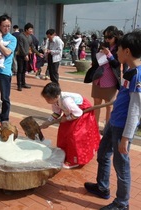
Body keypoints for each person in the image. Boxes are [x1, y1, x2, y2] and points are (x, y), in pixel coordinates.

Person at [84, 30, 141, 210]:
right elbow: (126, 98)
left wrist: (126, 137)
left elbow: (135, 110)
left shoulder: (138, 76)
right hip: (113, 122)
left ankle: (122, 204)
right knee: (103, 153)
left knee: (121, 165)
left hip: (122, 128)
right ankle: (102, 186)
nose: (115, 51)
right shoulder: (130, 70)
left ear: (127, 51)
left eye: (119, 49)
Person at [40, 82, 101, 169]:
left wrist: (67, 118)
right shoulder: (55, 101)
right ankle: (64, 154)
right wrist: (48, 122)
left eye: (47, 98)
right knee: (63, 132)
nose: (46, 100)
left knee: (74, 135)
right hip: (70, 112)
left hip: (81, 111)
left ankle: (74, 161)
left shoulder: (66, 100)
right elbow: (57, 113)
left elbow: (78, 113)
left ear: (54, 96)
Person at [91, 26, 121, 127]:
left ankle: (107, 128)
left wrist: (109, 54)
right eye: (105, 37)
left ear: (115, 37)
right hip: (98, 78)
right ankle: (94, 126)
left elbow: (117, 64)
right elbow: (96, 61)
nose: (107, 39)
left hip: (110, 80)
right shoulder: (103, 45)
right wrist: (98, 55)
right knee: (97, 102)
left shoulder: (119, 48)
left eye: (109, 37)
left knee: (109, 105)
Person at [16, 22, 43, 91]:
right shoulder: (21, 36)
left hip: (26, 56)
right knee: (20, 70)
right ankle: (19, 85)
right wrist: (25, 55)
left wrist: (38, 53)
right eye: (30, 29)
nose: (32, 31)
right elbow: (21, 47)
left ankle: (23, 83)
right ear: (26, 30)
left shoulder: (30, 37)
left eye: (32, 29)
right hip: (20, 56)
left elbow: (32, 47)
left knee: (24, 70)